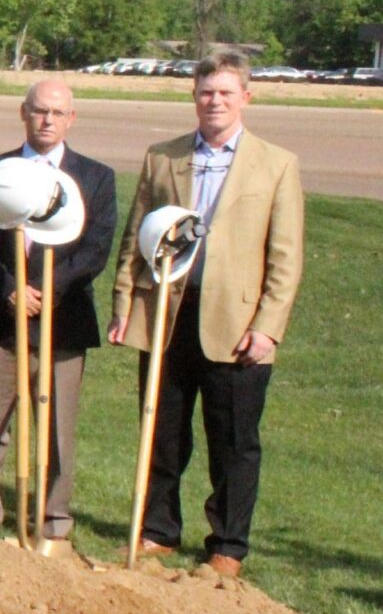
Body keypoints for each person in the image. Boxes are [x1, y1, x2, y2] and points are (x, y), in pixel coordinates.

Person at [108, 48, 303, 577]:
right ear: (194, 97)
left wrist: (267, 328)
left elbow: (285, 258)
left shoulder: (277, 164)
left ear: (246, 97)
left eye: (225, 92)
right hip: (167, 315)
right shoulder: (163, 157)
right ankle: (158, 530)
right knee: (162, 432)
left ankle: (228, 545)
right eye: (206, 92)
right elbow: (135, 238)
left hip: (236, 325)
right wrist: (124, 303)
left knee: (233, 442)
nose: (214, 101)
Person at [0, 79, 116, 540]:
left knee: (56, 430)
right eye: (40, 110)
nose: (47, 120)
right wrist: (9, 288)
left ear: (71, 119)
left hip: (63, 323)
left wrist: (45, 289)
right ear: (23, 113)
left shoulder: (96, 177)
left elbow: (96, 248)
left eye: (57, 113)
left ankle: (53, 519)